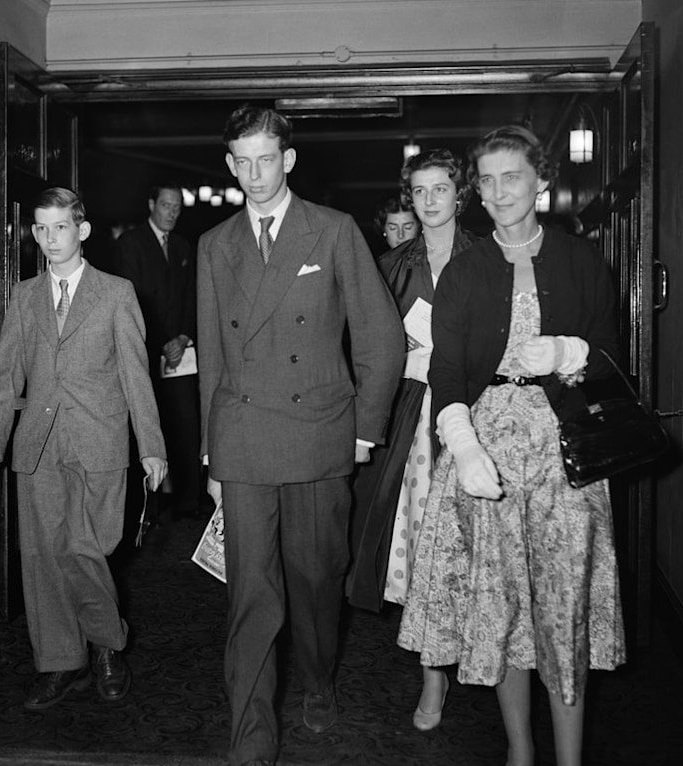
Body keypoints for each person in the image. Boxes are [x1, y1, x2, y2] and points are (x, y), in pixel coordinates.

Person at [397, 126, 626, 766]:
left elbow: (613, 359)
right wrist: (463, 445)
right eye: (489, 180)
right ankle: (521, 751)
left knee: (563, 606)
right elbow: (446, 374)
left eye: (513, 177)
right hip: (489, 448)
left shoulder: (581, 261)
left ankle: (570, 758)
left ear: (541, 182)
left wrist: (572, 353)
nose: (498, 192)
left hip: (566, 454)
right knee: (503, 608)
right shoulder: (466, 270)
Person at [197, 104, 405, 766]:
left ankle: (318, 680)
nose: (255, 175)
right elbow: (213, 353)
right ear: (230, 165)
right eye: (242, 162)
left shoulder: (334, 231)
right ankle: (250, 740)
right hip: (244, 441)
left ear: (288, 160)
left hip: (320, 439)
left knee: (316, 582)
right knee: (250, 596)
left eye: (267, 159)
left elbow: (382, 338)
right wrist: (211, 450)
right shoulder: (215, 244)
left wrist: (365, 431)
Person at [0, 187, 167, 711]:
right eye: (40, 228)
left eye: (59, 226)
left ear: (82, 231)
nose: (49, 238)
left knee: (88, 550)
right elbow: (4, 374)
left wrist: (152, 446)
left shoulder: (116, 293)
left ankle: (107, 643)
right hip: (36, 446)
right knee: (41, 557)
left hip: (100, 443)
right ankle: (62, 661)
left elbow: (136, 374)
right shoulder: (24, 295)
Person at [346, 148, 477, 731]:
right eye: (419, 191)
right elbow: (367, 345)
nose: (428, 201)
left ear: (459, 193)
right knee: (418, 536)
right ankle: (432, 675)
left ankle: (482, 652)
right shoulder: (393, 264)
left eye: (440, 189)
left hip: (473, 415)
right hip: (411, 414)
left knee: (473, 542)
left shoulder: (486, 257)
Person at [115, 183, 201, 521]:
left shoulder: (183, 246)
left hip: (181, 353)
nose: (172, 213)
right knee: (145, 426)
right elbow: (133, 298)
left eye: (178, 207)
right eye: (166, 205)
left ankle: (188, 503)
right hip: (146, 352)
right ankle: (145, 509)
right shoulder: (131, 243)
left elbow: (192, 296)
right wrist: (165, 340)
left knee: (186, 424)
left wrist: (183, 336)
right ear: (152, 204)